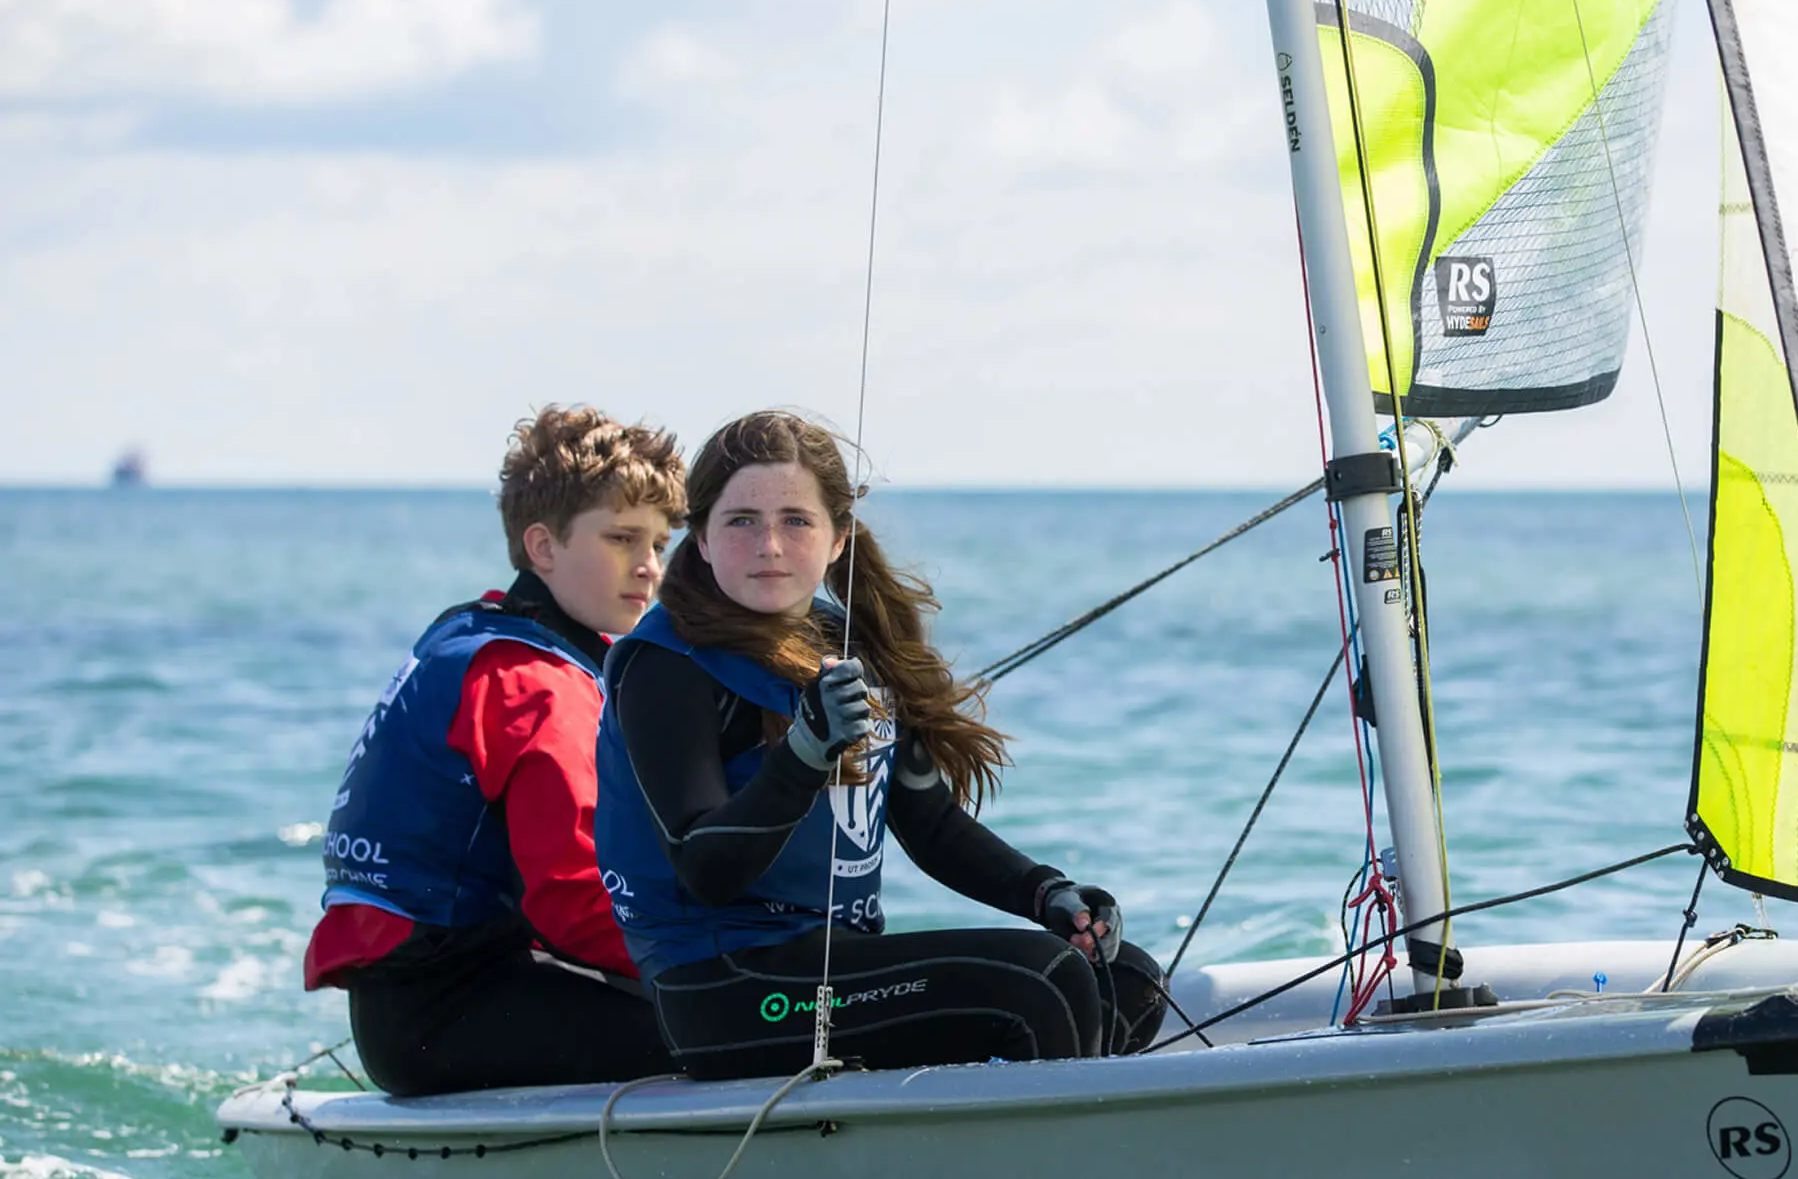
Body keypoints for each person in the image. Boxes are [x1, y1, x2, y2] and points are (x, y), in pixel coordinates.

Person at [594, 409, 1164, 1081]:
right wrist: (804, 756)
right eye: (742, 520)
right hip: (729, 989)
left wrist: (1047, 894)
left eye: (795, 521)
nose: (769, 545)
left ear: (838, 539)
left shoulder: (842, 645)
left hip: (828, 968)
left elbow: (931, 824)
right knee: (1041, 983)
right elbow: (705, 869)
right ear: (705, 538)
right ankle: (1057, 1177)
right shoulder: (667, 666)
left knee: (1125, 977)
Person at [304, 405, 688, 1096]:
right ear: (543, 548)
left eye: (660, 542)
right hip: (447, 1018)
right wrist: (715, 964)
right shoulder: (531, 684)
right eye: (623, 538)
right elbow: (572, 902)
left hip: (418, 1008)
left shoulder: (479, 634)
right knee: (736, 1031)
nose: (649, 568)